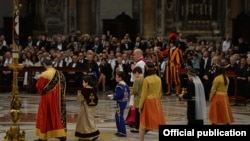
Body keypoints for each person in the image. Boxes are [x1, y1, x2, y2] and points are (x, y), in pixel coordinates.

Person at [35, 57, 66, 141]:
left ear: (45, 64)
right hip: (59, 100)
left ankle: (43, 137)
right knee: (57, 116)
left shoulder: (45, 74)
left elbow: (39, 86)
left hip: (47, 99)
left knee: (45, 116)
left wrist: (38, 79)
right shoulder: (60, 73)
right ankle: (61, 135)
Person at [139, 61, 165, 141]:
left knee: (142, 123)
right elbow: (160, 92)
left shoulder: (146, 79)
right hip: (157, 101)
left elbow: (143, 94)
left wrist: (140, 105)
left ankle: (141, 140)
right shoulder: (158, 78)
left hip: (148, 102)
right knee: (158, 120)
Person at [75, 75, 100, 140]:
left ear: (87, 83)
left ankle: (86, 135)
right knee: (90, 120)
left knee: (84, 122)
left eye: (83, 82)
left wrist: (78, 94)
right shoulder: (94, 89)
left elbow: (79, 99)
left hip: (84, 109)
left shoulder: (84, 90)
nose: (82, 84)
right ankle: (94, 133)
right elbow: (96, 99)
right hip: (92, 109)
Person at [109, 71, 130, 137]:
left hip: (120, 102)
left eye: (117, 77)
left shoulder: (119, 86)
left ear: (120, 78)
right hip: (124, 102)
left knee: (119, 116)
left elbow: (117, 96)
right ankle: (119, 131)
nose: (115, 78)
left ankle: (122, 132)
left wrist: (112, 97)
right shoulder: (126, 85)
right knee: (118, 116)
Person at [129, 66, 144, 133]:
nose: (135, 75)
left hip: (137, 99)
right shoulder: (144, 79)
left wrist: (131, 91)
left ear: (137, 72)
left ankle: (136, 128)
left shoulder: (137, 80)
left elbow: (135, 91)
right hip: (143, 98)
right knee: (141, 115)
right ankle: (141, 127)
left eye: (135, 74)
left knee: (137, 115)